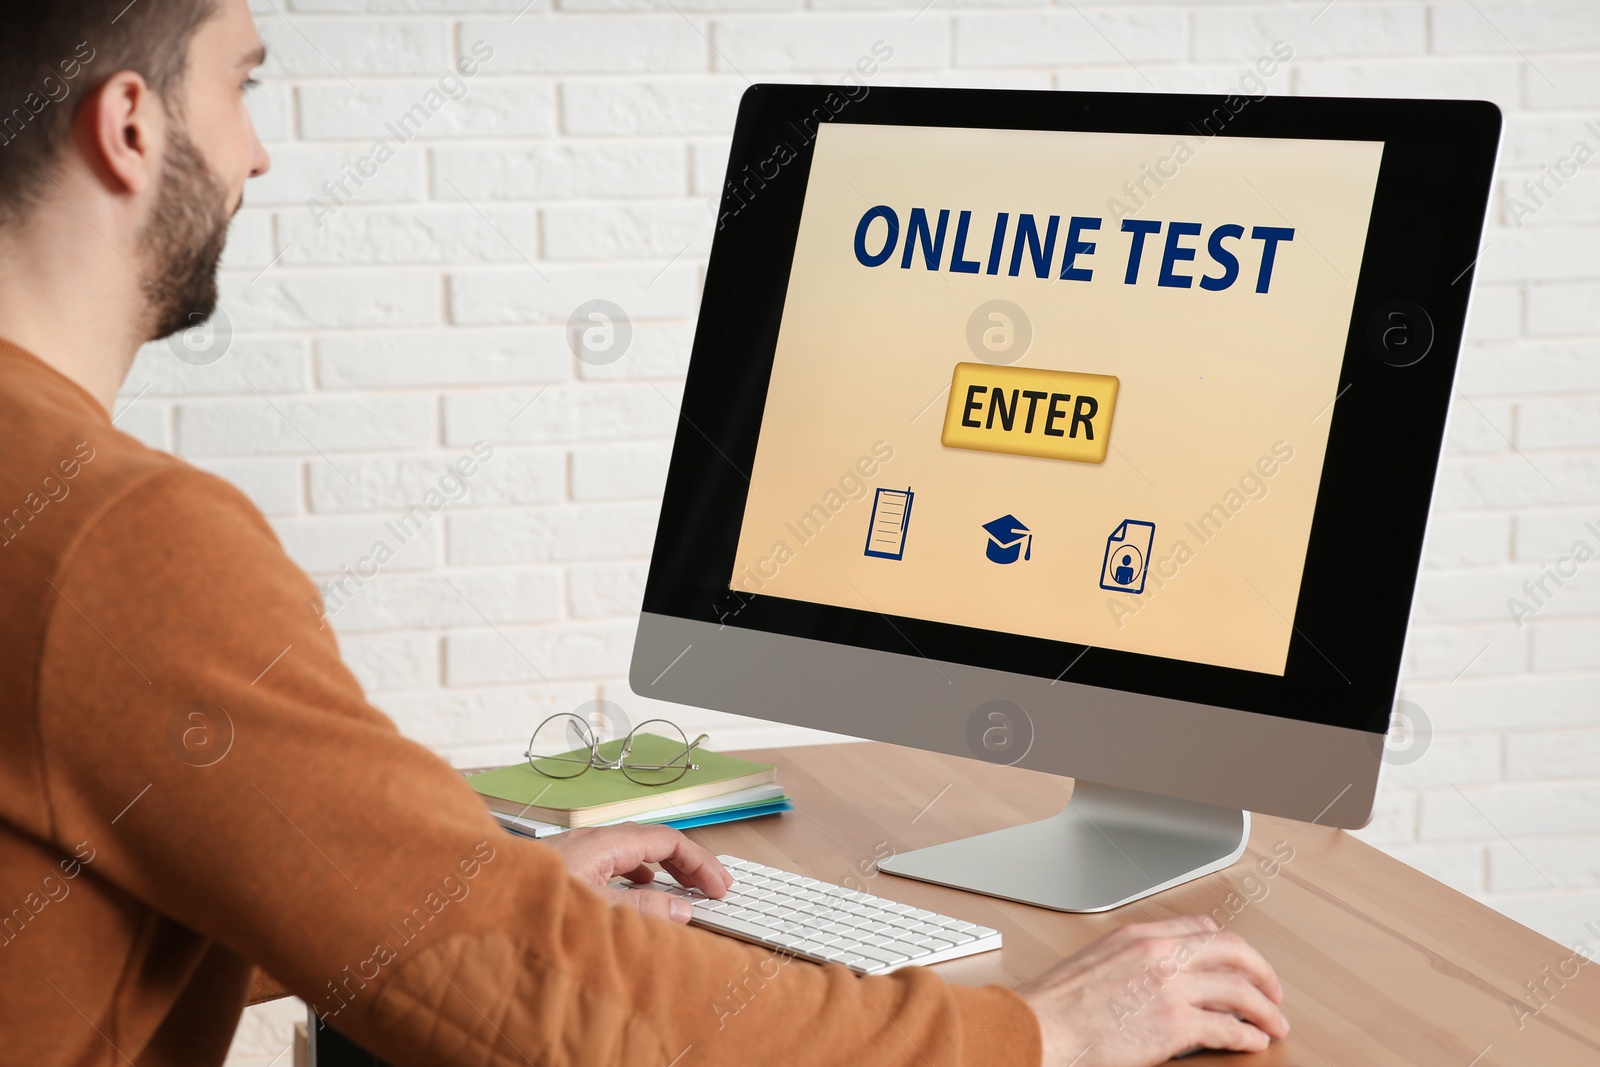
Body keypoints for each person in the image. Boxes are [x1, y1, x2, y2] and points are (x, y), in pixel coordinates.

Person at [0, 4, 1291, 1065]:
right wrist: (1039, 1035)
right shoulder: (116, 537)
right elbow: (563, 1017)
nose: (256, 155)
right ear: (128, 125)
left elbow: (124, 853)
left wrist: (461, 880)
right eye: (241, 87)